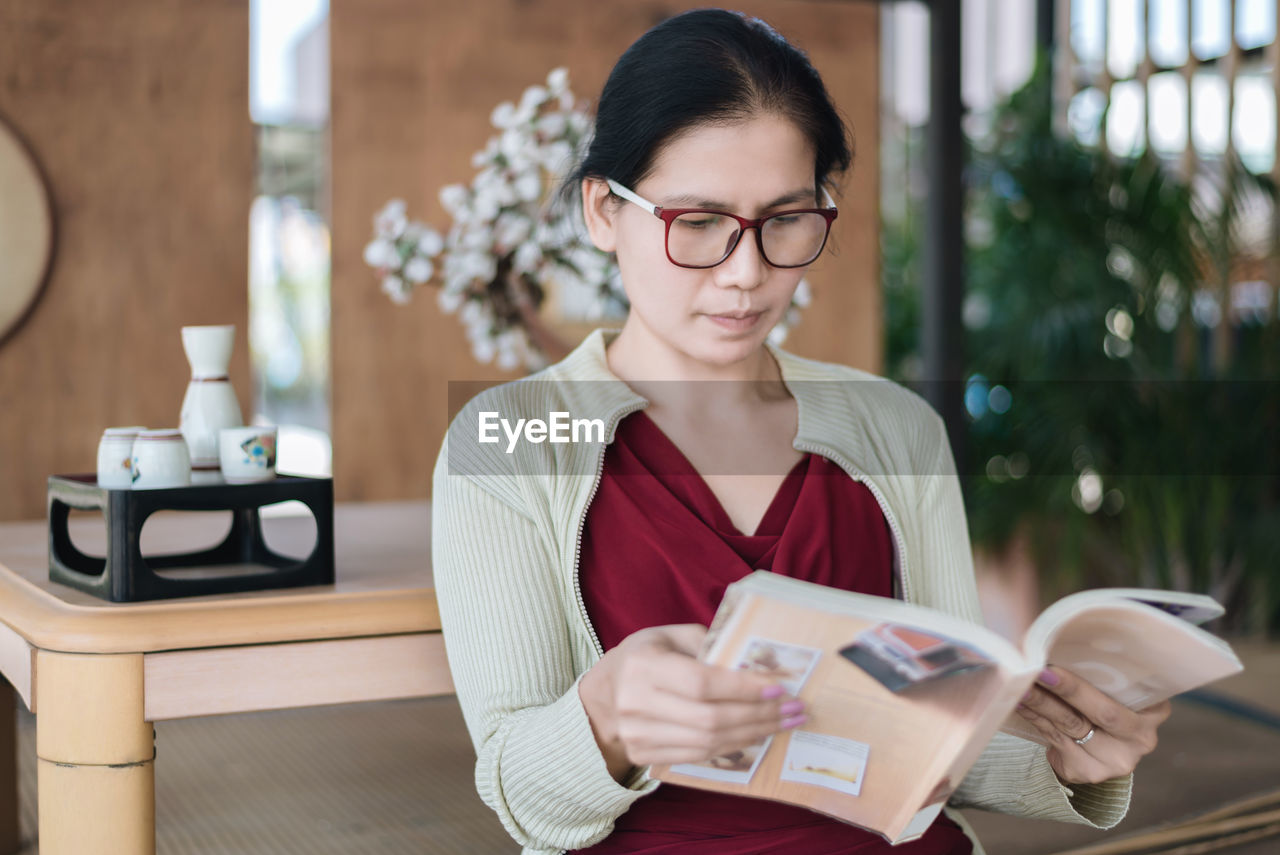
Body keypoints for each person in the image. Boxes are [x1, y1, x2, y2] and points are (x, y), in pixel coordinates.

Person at [431, 9, 1170, 855]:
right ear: (604, 212)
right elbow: (521, 798)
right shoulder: (509, 439)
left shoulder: (897, 427)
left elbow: (937, 748)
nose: (746, 275)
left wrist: (1072, 755)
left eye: (786, 219)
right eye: (698, 224)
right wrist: (603, 718)